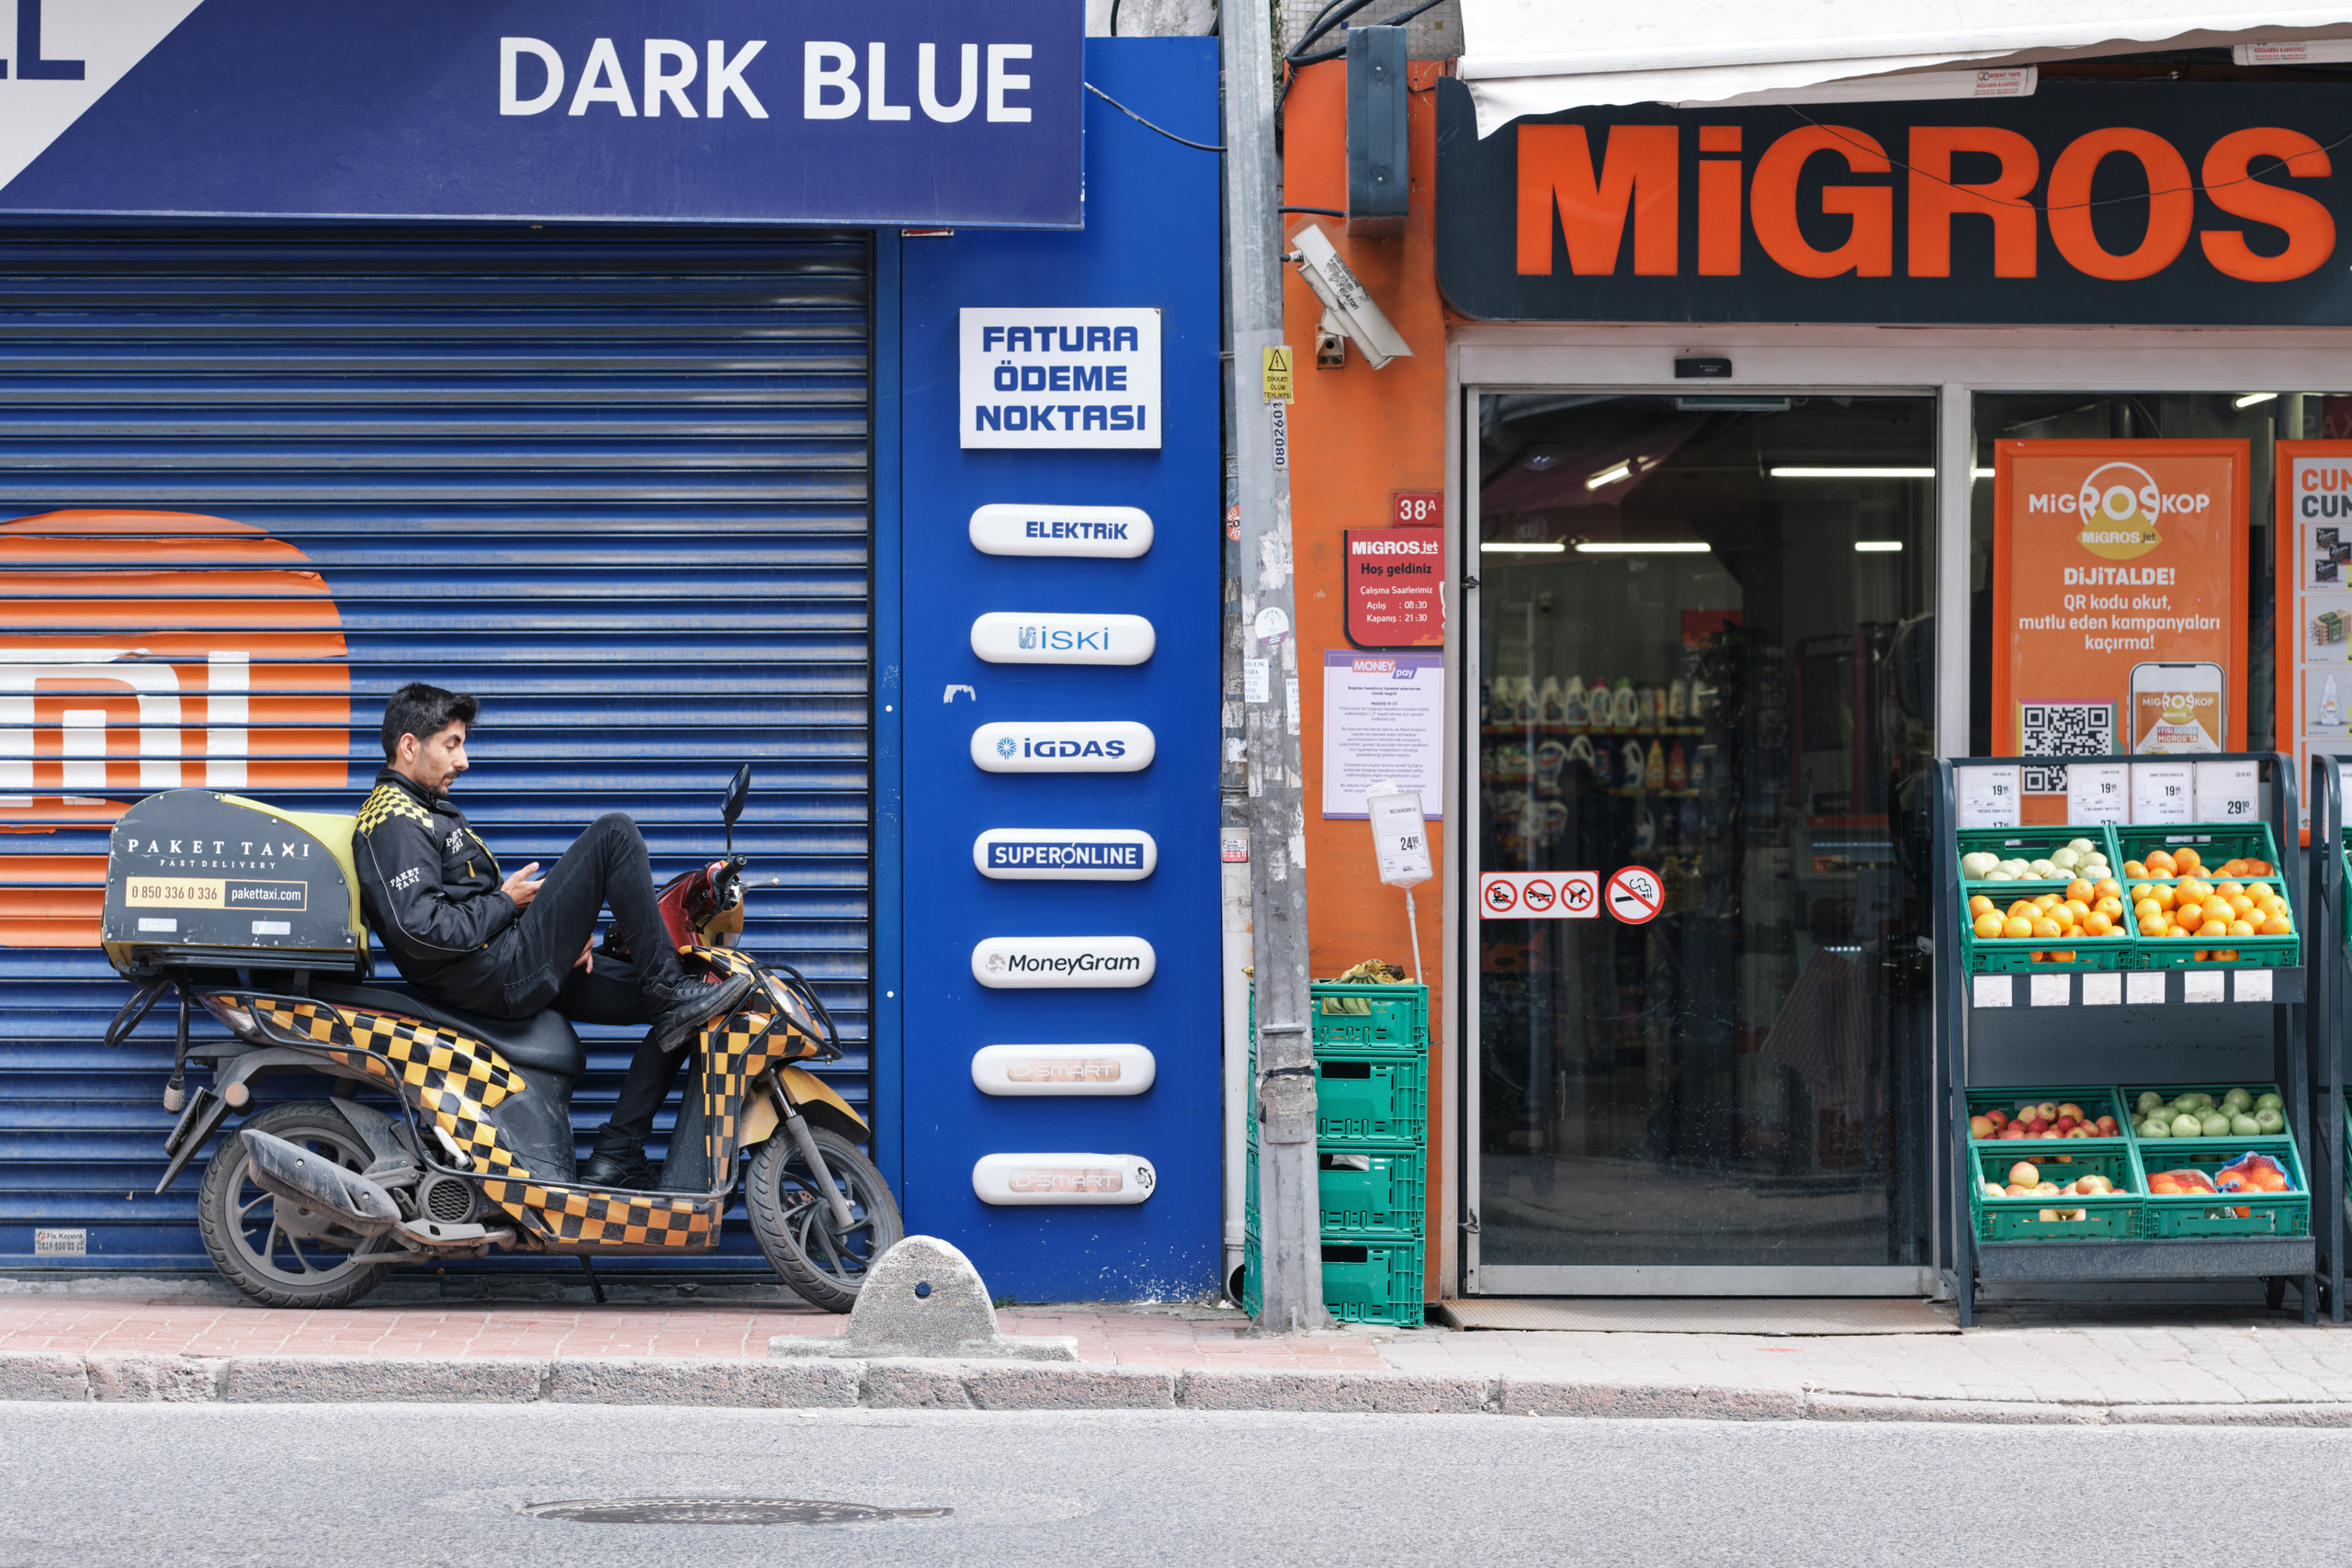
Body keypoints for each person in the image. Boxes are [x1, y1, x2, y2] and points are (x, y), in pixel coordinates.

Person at [352, 682, 752, 1190]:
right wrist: (510, 902)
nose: (464, 760)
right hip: (497, 975)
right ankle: (669, 991)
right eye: (451, 744)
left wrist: (559, 936)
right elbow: (422, 930)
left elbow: (457, 908)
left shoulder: (426, 809)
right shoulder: (392, 819)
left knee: (697, 997)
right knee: (614, 833)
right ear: (410, 746)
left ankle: (617, 1150)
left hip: (505, 959)